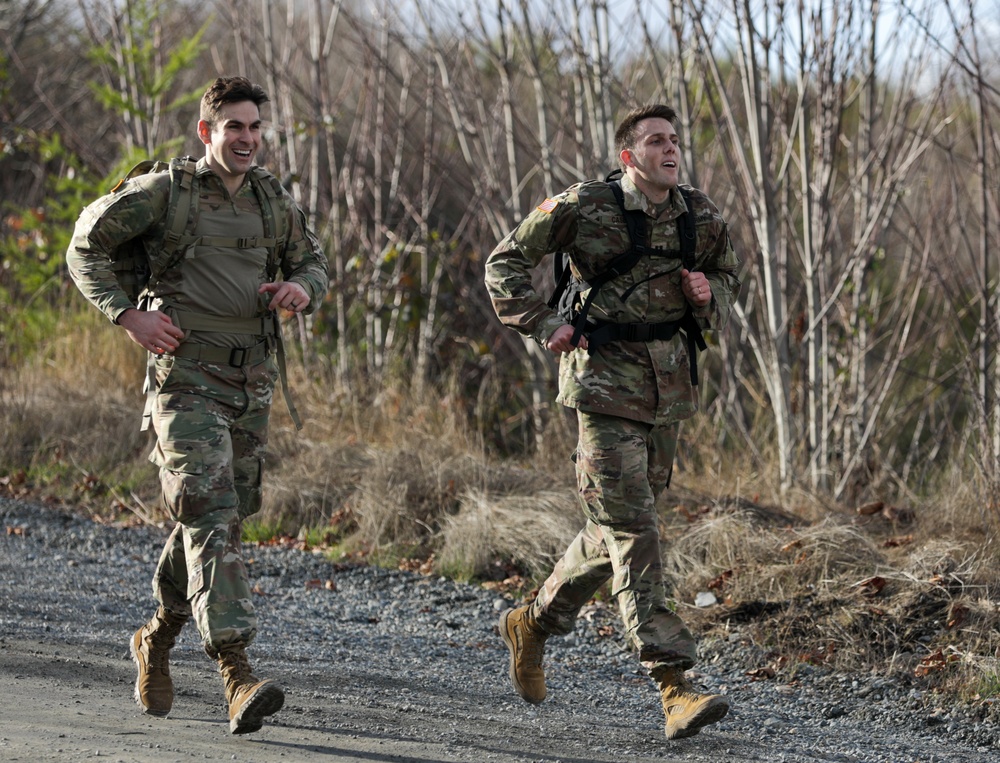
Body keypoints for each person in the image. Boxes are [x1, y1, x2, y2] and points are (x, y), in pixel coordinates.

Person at [66, 76, 329, 735]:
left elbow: (317, 263)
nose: (246, 138)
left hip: (251, 384)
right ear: (207, 132)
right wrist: (128, 315)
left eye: (255, 128)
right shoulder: (167, 194)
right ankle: (235, 670)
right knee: (211, 512)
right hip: (183, 378)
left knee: (219, 516)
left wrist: (299, 288)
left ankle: (156, 637)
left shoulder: (274, 202)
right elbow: (84, 247)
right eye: (233, 127)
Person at [484, 104, 741, 740]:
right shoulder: (585, 206)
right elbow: (504, 263)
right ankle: (672, 683)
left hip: (667, 394)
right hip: (600, 388)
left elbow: (728, 276)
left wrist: (711, 294)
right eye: (656, 141)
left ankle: (534, 623)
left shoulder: (698, 214)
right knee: (636, 530)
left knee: (613, 530)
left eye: (675, 140)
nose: (671, 150)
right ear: (630, 156)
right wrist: (546, 323)